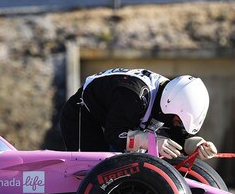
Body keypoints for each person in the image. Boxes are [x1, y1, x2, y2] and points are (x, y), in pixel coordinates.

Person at [58, 67, 217, 160]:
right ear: (170, 106)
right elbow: (114, 134)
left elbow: (180, 136)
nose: (177, 124)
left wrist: (197, 145)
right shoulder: (135, 97)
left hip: (114, 119)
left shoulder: (169, 97)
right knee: (91, 169)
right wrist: (151, 141)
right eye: (178, 120)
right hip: (82, 115)